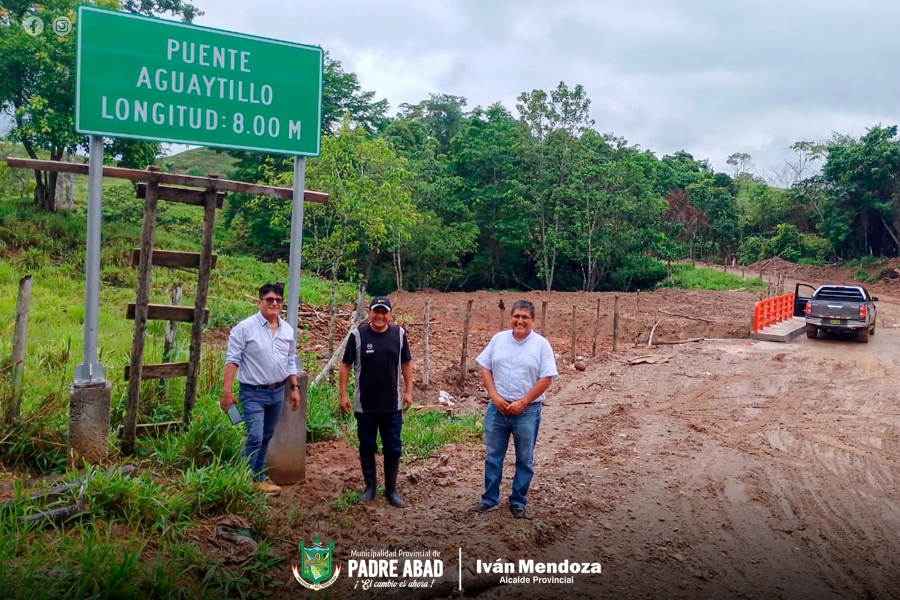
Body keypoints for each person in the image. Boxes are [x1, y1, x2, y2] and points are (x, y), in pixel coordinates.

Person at [474, 299, 557, 518]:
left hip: (527, 411)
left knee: (524, 458)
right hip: (497, 408)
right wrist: (493, 395)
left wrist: (523, 401)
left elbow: (547, 377)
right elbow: (485, 367)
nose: (520, 321)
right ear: (510, 317)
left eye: (525, 317)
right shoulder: (498, 339)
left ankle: (518, 501)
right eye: (516, 316)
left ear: (533, 321)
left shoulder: (541, 345)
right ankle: (489, 499)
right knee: (493, 455)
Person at [221, 283, 300, 495]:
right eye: (269, 299)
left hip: (276, 392)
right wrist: (226, 391)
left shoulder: (287, 330)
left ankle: (257, 478)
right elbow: (232, 360)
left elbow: (290, 360)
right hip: (252, 392)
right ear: (260, 302)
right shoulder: (245, 328)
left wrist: (294, 387)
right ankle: (240, 478)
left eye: (278, 300)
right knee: (255, 435)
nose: (274, 303)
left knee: (266, 435)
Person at [339, 295, 413, 508]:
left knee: (393, 446)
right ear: (369, 313)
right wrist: (343, 395)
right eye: (376, 311)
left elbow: (406, 363)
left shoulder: (399, 335)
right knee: (367, 445)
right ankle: (370, 487)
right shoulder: (358, 336)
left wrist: (408, 391)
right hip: (365, 405)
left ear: (390, 315)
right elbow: (345, 366)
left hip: (392, 404)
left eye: (384, 312)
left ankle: (391, 489)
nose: (380, 316)